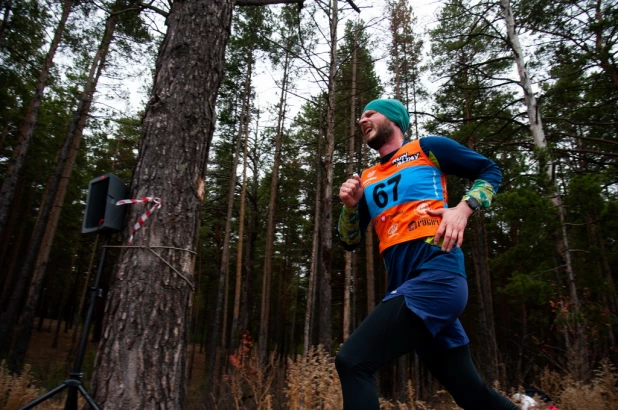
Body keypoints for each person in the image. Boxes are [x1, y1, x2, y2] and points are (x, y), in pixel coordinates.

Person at [335, 98, 518, 410]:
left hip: (437, 277)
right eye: (359, 117)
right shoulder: (366, 179)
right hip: (406, 287)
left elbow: (490, 170)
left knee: (352, 361)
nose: (360, 121)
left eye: (369, 114)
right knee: (473, 395)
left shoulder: (426, 148)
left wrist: (464, 208)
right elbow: (349, 240)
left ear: (393, 118)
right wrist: (350, 208)